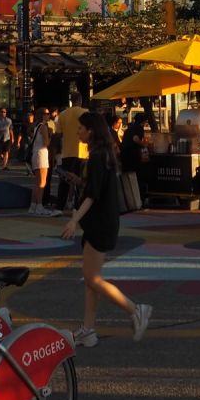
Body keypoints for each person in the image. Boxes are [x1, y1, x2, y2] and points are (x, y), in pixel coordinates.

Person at [61, 111, 152, 346]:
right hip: (102, 221)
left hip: (99, 222)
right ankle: (88, 329)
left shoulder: (98, 155)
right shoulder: (104, 154)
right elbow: (94, 187)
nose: (78, 131)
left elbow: (93, 195)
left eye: (81, 128)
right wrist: (79, 181)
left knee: (92, 278)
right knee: (91, 278)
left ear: (91, 131)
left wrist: (73, 220)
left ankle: (135, 309)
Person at [55, 99, 89, 213]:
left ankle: (59, 207)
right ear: (80, 101)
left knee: (65, 180)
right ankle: (77, 207)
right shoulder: (86, 112)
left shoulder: (63, 114)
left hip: (67, 151)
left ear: (71, 101)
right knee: (81, 181)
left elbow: (59, 134)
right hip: (83, 151)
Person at [27, 108, 55, 216]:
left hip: (35, 154)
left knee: (37, 182)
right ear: (42, 115)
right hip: (42, 154)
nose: (49, 115)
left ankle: (33, 205)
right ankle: (39, 206)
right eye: (47, 114)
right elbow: (47, 143)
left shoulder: (36, 126)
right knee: (42, 182)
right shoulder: (43, 127)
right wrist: (50, 135)